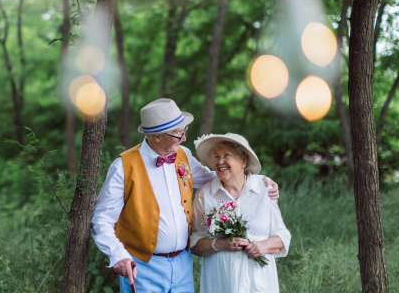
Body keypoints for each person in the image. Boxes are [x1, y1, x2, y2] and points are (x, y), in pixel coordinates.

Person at [91, 99, 280, 292]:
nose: (183, 138)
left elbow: (212, 178)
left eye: (184, 131)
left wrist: (258, 180)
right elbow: (101, 219)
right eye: (178, 134)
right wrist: (118, 254)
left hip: (182, 264)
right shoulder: (123, 166)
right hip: (143, 266)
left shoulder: (183, 155)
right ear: (156, 136)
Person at [190, 133, 291, 293]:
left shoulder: (264, 189)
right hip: (221, 281)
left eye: (226, 155)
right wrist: (221, 244)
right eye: (216, 157)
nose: (219, 161)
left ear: (243, 161)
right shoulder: (205, 194)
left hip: (258, 283)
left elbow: (283, 236)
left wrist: (262, 246)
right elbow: (193, 243)